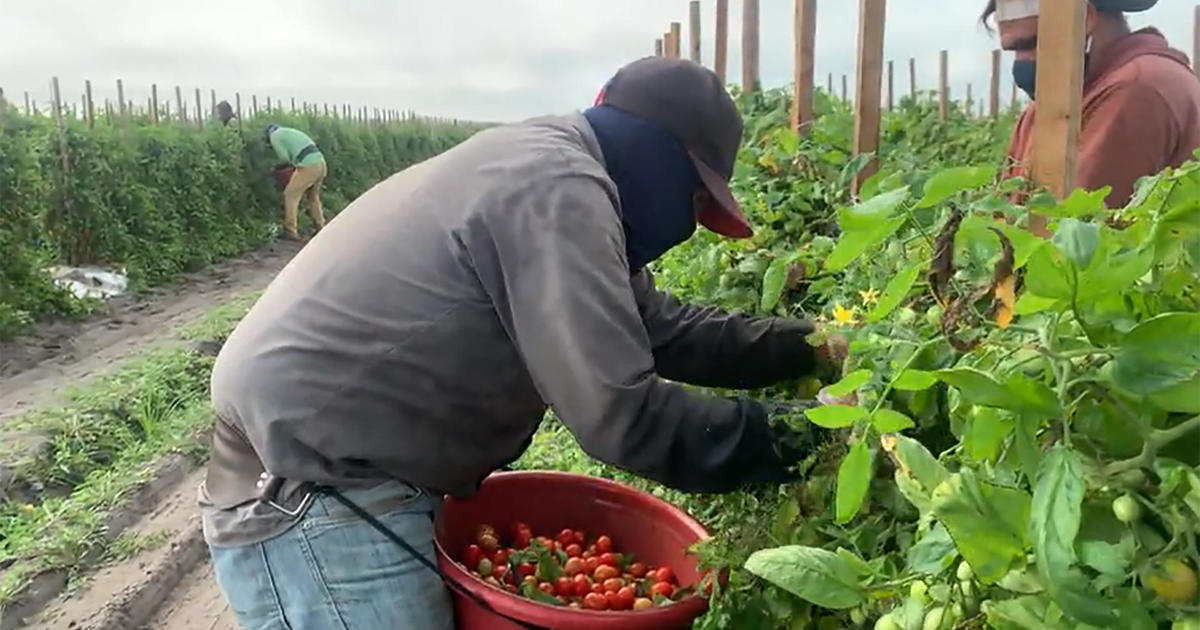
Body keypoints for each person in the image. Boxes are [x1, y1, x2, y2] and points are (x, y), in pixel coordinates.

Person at [200, 57, 844, 630]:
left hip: (340, 480)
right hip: (310, 493)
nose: (688, 224)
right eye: (695, 198)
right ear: (657, 154)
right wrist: (815, 437)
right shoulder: (555, 186)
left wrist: (810, 346)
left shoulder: (553, 170)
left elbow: (660, 327)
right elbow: (621, 418)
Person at [988, 0, 1200, 216]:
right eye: (1014, 50)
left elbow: (1068, 229)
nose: (1023, 64)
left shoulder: (1136, 90)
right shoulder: (1056, 100)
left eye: (1031, 44)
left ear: (1084, 18)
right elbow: (999, 212)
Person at [264, 123, 327, 240]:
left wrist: (273, 169)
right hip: (321, 163)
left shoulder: (275, 136)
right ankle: (320, 226)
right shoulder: (288, 131)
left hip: (309, 165)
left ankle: (290, 230)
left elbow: (284, 158)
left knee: (290, 194)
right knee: (313, 196)